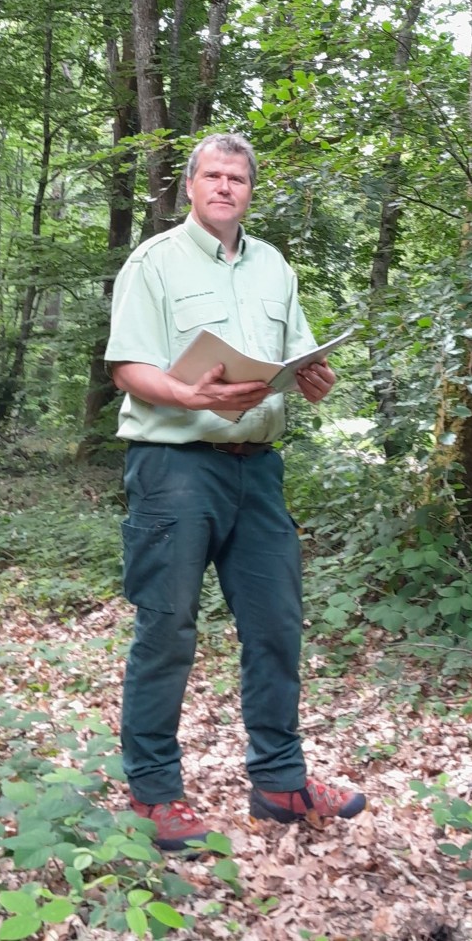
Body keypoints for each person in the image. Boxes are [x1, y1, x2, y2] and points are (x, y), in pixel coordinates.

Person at [105, 132, 365, 850]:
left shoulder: (273, 265)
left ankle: (280, 781)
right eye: (213, 175)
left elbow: (298, 356)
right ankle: (154, 792)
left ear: (250, 190)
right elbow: (127, 366)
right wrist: (190, 395)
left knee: (276, 623)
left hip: (260, 467)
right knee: (166, 628)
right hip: (174, 466)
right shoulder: (153, 262)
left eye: (238, 178)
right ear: (190, 185)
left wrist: (313, 378)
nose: (225, 187)